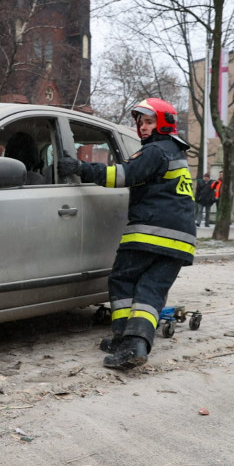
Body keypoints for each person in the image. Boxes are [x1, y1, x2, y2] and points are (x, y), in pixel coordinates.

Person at [58, 98, 196, 371]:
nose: (142, 128)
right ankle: (136, 345)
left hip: (150, 233)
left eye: (148, 122)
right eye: (141, 123)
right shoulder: (175, 152)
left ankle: (124, 337)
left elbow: (122, 176)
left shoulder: (155, 151)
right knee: (151, 290)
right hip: (181, 240)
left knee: (122, 279)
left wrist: (81, 168)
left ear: (164, 123)